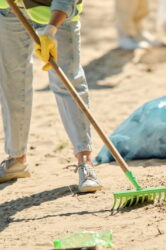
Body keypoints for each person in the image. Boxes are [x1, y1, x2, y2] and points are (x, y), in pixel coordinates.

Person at [0, 0, 102, 192]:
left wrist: (50, 30)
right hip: (9, 9)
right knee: (11, 82)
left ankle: (85, 162)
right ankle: (16, 159)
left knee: (66, 81)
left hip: (55, 12)